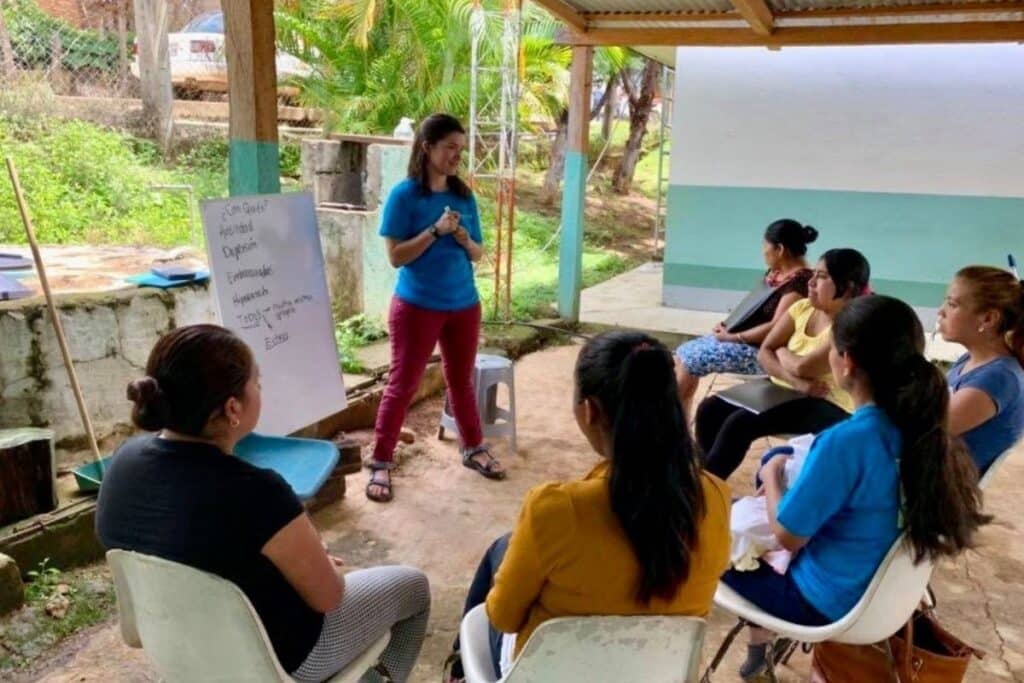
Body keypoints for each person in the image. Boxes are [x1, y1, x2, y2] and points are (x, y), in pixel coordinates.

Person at [96, 325, 431, 683]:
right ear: (232, 408)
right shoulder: (256, 491)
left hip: (179, 651)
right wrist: (320, 560)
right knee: (413, 587)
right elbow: (329, 597)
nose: (261, 390)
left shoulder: (122, 464)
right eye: (257, 382)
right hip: (279, 662)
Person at [721, 295, 988, 680]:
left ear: (844, 361)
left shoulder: (850, 441)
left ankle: (756, 649)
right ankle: (760, 654)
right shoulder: (927, 430)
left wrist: (772, 474)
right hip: (882, 599)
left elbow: (787, 536)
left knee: (704, 536)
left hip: (820, 602)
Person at [446, 331, 731, 681]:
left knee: (501, 551)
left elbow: (502, 618)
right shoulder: (716, 498)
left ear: (589, 410)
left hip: (548, 674)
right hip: (656, 673)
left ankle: (458, 672)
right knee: (505, 546)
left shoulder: (555, 510)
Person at [369, 113, 504, 503]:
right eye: (449, 148)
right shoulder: (405, 196)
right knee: (403, 383)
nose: (456, 157)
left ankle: (473, 447)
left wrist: (463, 238)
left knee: (461, 380)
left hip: (464, 304)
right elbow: (396, 256)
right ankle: (380, 461)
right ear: (426, 147)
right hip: (417, 306)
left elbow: (478, 253)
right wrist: (434, 231)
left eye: (460, 150)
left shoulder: (463, 195)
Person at [695, 248, 870, 481]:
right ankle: (708, 479)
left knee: (740, 424)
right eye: (813, 274)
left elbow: (803, 366)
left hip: (827, 401)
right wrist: (797, 381)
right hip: (787, 390)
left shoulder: (849, 325)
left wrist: (782, 349)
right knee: (710, 408)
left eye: (822, 277)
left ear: (847, 288)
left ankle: (704, 494)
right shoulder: (803, 308)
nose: (811, 282)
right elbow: (765, 352)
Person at [675, 219, 816, 414]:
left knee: (690, 359)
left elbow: (776, 326)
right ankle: (680, 428)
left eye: (765, 245)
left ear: (780, 249)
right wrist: (726, 325)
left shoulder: (800, 281)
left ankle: (674, 428)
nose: (762, 251)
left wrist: (733, 337)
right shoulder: (777, 274)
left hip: (765, 350)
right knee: (683, 355)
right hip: (745, 340)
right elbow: (751, 307)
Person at [937, 265, 1024, 475]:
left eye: (952, 304)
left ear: (988, 319)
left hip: (943, 496)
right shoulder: (970, 360)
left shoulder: (999, 378)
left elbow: (926, 432)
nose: (941, 311)